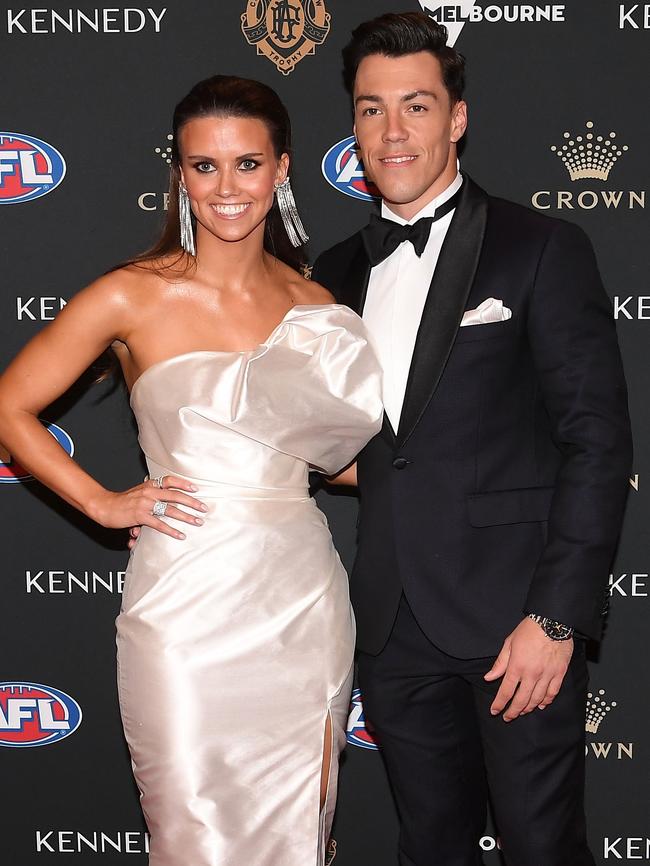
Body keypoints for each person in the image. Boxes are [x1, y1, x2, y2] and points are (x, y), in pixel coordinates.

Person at [0, 75, 382, 866]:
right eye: (202, 167)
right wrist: (102, 503)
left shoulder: (318, 309)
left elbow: (342, 464)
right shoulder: (131, 296)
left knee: (295, 836)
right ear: (179, 175)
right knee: (192, 830)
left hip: (299, 604)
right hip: (183, 603)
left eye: (247, 164)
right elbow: (10, 407)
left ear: (281, 169)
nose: (226, 188)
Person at [313, 13, 632, 866]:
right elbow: (352, 444)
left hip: (514, 621)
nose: (393, 131)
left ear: (457, 118)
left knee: (540, 848)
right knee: (432, 849)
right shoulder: (331, 273)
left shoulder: (542, 247)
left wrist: (557, 619)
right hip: (388, 624)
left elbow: (597, 444)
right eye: (370, 108)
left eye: (415, 106)